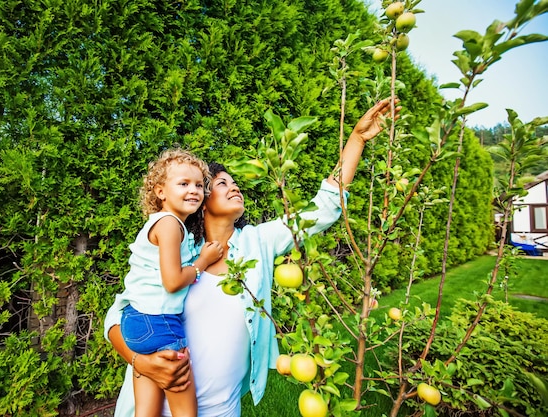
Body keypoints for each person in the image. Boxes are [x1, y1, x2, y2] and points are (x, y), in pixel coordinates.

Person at [104, 98, 401, 417]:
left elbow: (325, 208)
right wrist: (140, 361)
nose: (234, 187)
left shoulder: (258, 241)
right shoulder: (179, 246)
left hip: (223, 410)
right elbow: (118, 315)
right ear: (202, 199)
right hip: (156, 404)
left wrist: (356, 139)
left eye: (235, 183)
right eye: (222, 183)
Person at [117, 148, 224, 417]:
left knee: (146, 410)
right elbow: (173, 281)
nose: (194, 190)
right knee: (185, 408)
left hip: (136, 319)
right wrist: (203, 261)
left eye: (199, 185)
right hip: (159, 323)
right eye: (184, 184)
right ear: (160, 191)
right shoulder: (169, 225)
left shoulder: (163, 224)